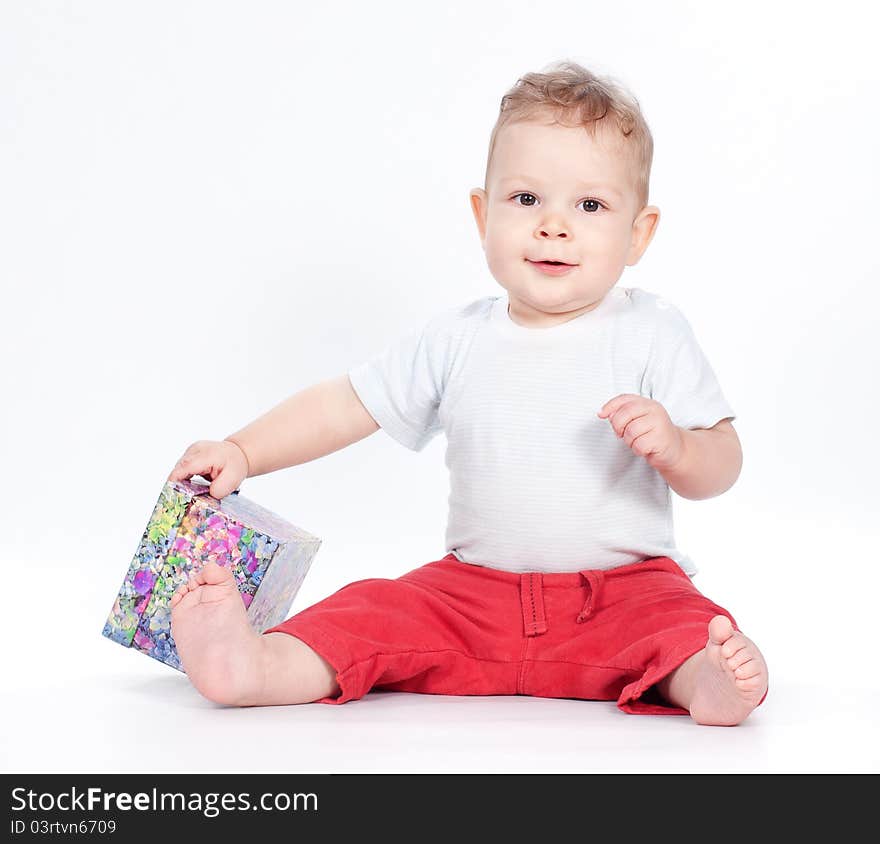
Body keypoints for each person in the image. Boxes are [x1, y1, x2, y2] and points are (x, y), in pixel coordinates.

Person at [167, 60, 768, 726]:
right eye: (526, 199)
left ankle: (705, 682)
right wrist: (244, 452)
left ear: (639, 233)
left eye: (590, 205)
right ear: (483, 215)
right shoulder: (456, 339)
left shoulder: (650, 331)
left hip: (622, 594)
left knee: (684, 620)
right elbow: (347, 404)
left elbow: (724, 460)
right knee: (373, 609)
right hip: (470, 596)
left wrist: (680, 447)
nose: (554, 226)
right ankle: (252, 665)